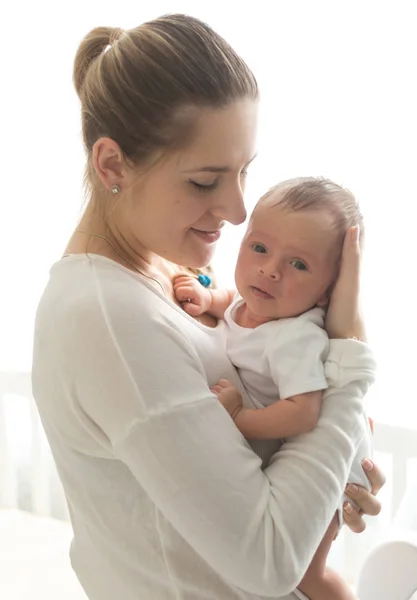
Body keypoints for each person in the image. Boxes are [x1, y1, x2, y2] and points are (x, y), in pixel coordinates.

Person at [31, 14, 385, 600]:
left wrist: (334, 473)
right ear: (113, 164)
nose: (240, 209)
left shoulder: (170, 269)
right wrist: (348, 365)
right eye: (205, 181)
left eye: (244, 170)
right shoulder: (106, 318)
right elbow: (268, 563)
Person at [174, 176, 373, 600]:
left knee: (309, 574)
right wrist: (209, 300)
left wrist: (241, 418)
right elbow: (233, 301)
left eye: (299, 264)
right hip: (313, 451)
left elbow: (304, 411)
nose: (270, 270)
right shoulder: (255, 305)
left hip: (336, 466)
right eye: (259, 248)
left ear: (328, 292)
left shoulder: (293, 337)